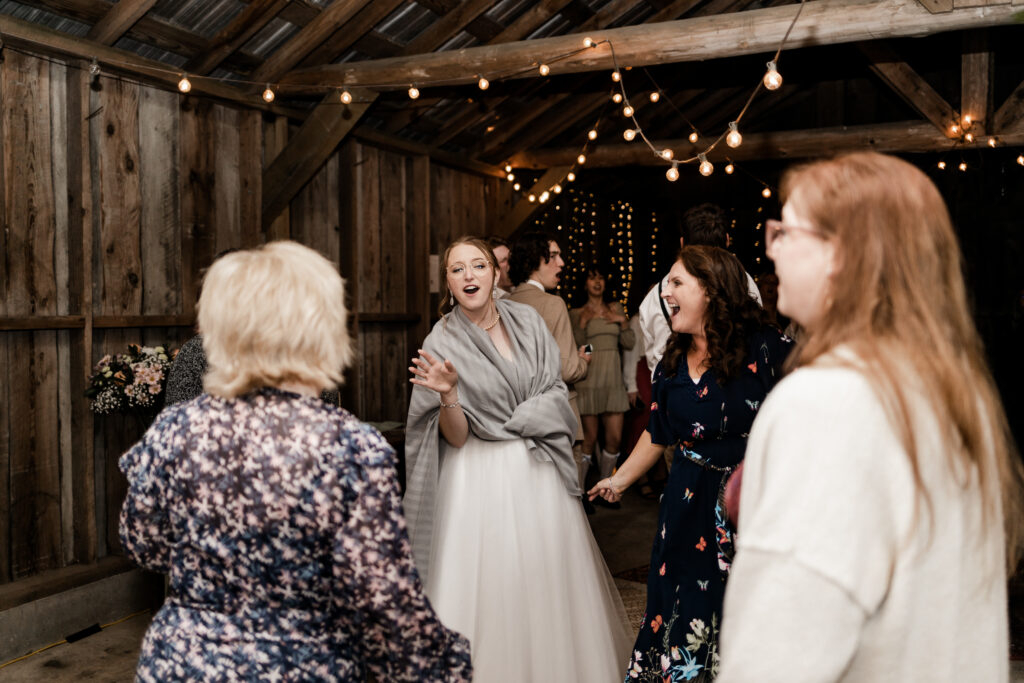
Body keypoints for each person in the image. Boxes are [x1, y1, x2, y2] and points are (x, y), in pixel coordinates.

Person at [717, 152, 1024, 682]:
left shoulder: (826, 401)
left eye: (785, 232)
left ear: (842, 255)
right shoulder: (951, 390)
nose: (773, 252)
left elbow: (782, 643)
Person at [119, 241, 471, 682]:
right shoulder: (350, 447)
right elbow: (382, 595)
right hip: (303, 662)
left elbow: (144, 546)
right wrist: (446, 665)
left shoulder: (173, 431)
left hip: (186, 663)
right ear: (321, 327)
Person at [405, 236, 632, 681]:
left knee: (545, 582)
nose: (469, 276)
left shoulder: (527, 321)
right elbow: (455, 436)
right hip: (477, 477)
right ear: (448, 283)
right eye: (457, 270)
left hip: (536, 469)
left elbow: (553, 389)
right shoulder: (441, 339)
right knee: (490, 590)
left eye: (478, 266)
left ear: (495, 272)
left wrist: (528, 415)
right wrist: (449, 394)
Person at [589, 245, 792, 682]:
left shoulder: (768, 347)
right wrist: (619, 479)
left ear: (713, 290)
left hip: (749, 502)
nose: (666, 291)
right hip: (685, 503)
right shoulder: (672, 361)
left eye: (678, 282)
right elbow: (658, 432)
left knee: (747, 604)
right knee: (682, 604)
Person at [507, 231, 592, 489]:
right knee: (566, 499)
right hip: (557, 415)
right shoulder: (553, 304)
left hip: (516, 416)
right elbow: (566, 370)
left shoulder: (504, 303)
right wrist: (584, 360)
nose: (562, 263)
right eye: (553, 256)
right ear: (533, 261)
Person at [638, 203, 762, 380]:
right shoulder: (747, 284)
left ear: (682, 243)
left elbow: (656, 362)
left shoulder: (653, 300)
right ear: (727, 239)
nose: (667, 293)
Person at [569, 265, 635, 493]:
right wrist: (583, 326)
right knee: (588, 440)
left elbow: (629, 343)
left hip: (613, 382)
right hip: (589, 382)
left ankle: (606, 487)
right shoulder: (577, 313)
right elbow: (577, 348)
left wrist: (622, 322)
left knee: (615, 439)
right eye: (591, 278)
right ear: (585, 284)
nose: (597, 282)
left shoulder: (615, 308)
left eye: (600, 278)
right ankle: (581, 494)